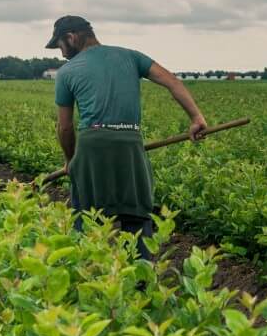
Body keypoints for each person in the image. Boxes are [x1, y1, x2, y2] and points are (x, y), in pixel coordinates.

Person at [47, 15, 208, 259]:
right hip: (130, 144)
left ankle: (92, 280)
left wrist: (71, 161)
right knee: (136, 217)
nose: (61, 54)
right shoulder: (132, 57)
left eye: (60, 45)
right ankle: (142, 280)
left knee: (88, 220)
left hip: (92, 147)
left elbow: (65, 127)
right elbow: (173, 82)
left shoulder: (67, 72)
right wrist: (196, 118)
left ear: (71, 37)